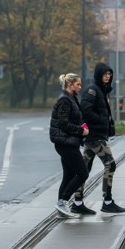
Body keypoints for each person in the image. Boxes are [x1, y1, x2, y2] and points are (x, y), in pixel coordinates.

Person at [74, 62, 125, 214]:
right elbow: (85, 110)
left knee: (84, 169)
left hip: (94, 136)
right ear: (98, 75)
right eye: (105, 74)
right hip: (95, 136)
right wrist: (102, 120)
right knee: (111, 165)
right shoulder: (93, 90)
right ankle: (107, 201)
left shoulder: (102, 91)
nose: (108, 76)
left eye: (109, 74)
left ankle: (77, 202)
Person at [49, 73, 90, 218]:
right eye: (78, 84)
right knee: (82, 173)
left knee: (69, 175)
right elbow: (63, 123)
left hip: (68, 142)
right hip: (65, 143)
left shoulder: (71, 98)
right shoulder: (65, 100)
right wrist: (81, 131)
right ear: (69, 84)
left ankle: (61, 208)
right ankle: (63, 201)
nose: (80, 86)